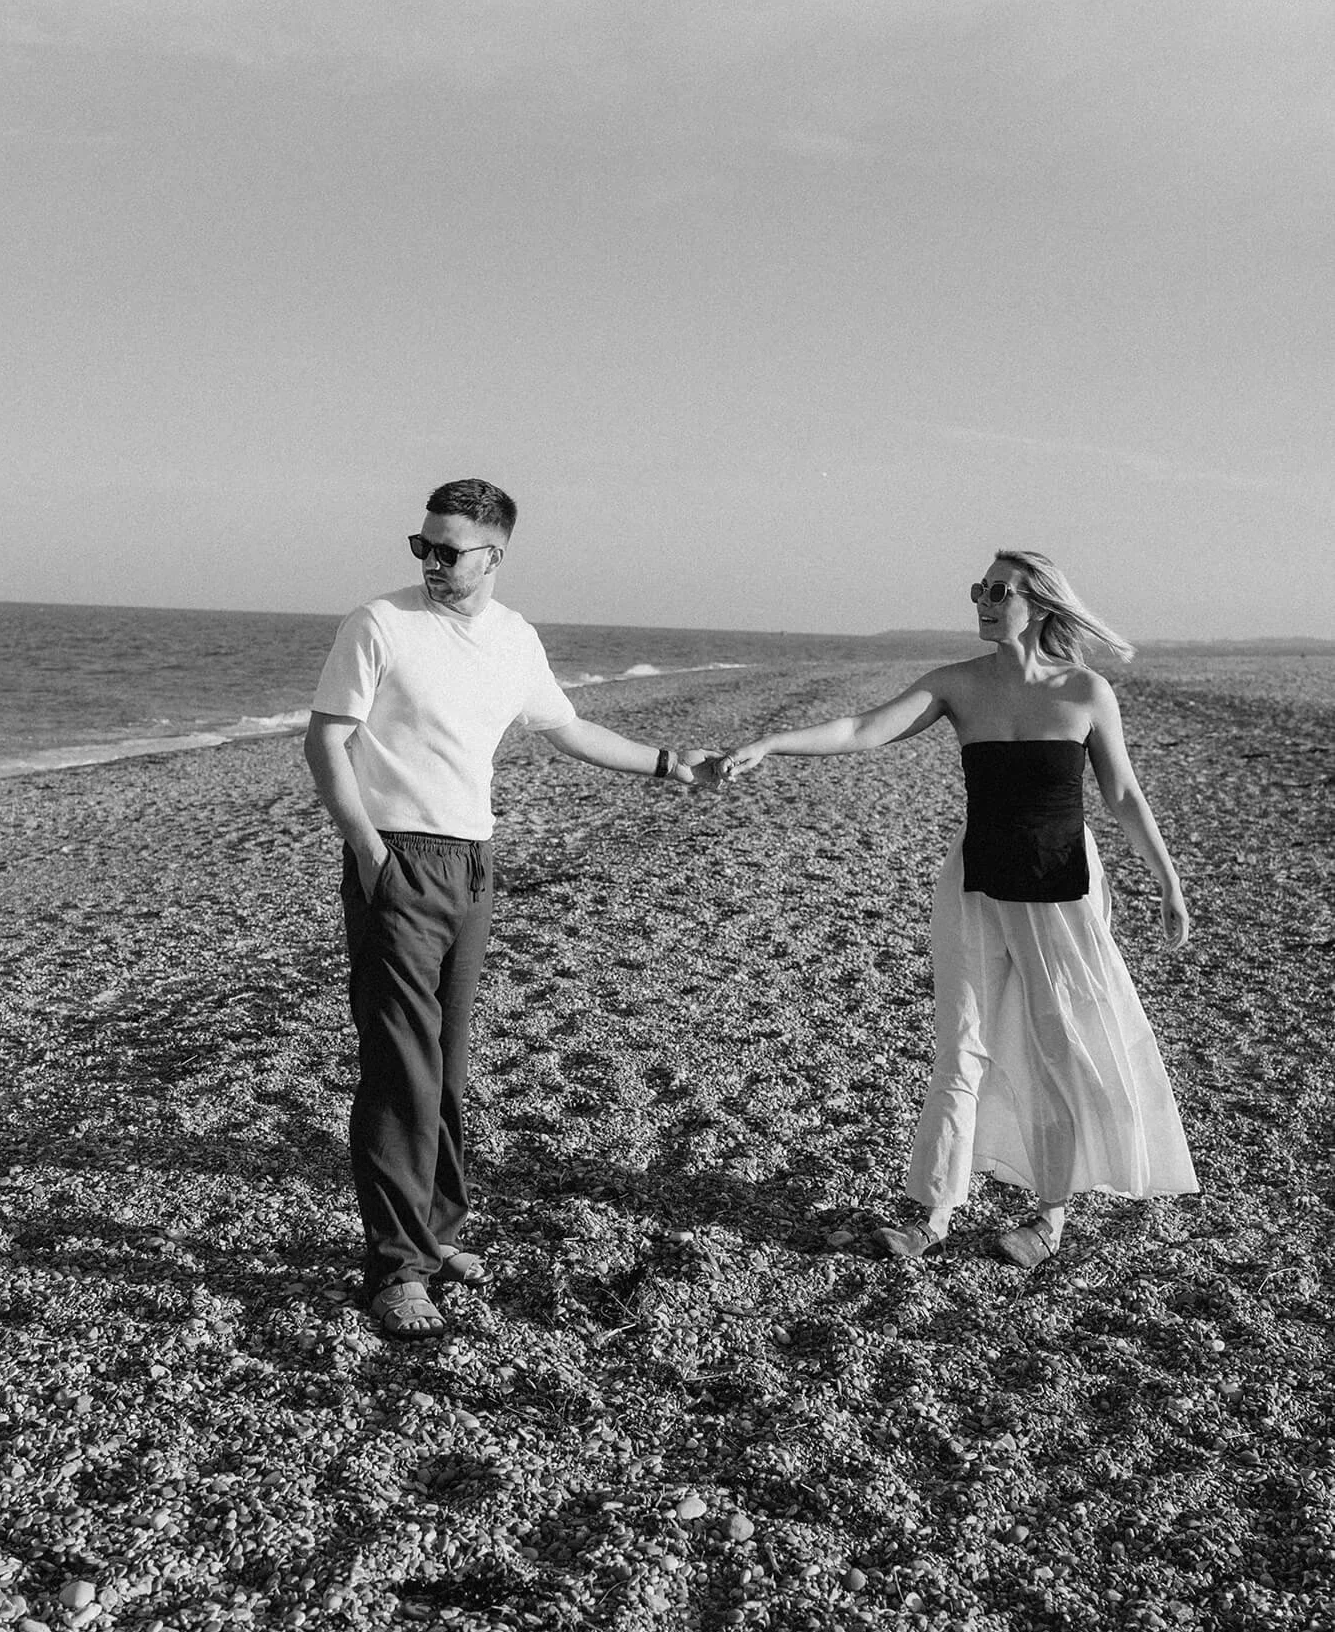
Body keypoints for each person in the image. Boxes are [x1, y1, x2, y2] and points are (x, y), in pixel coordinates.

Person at [304, 478, 714, 1340]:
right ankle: (395, 1268)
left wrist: (669, 763)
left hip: (473, 865)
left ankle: (438, 1232)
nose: (431, 563)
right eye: (422, 546)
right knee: (399, 1069)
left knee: (446, 1064)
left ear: (495, 555)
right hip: (399, 859)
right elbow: (327, 740)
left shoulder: (513, 637)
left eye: (448, 551)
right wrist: (370, 852)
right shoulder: (377, 623)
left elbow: (566, 728)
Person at [718, 550, 1197, 1267]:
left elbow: (1122, 796)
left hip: (1059, 889)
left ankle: (1050, 1217)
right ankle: (929, 1212)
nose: (981, 599)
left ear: (1038, 604)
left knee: (1058, 1048)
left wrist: (1168, 881)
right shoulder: (958, 685)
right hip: (975, 884)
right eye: (979, 588)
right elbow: (861, 729)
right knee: (961, 1046)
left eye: (997, 590)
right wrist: (770, 744)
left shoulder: (1085, 692)